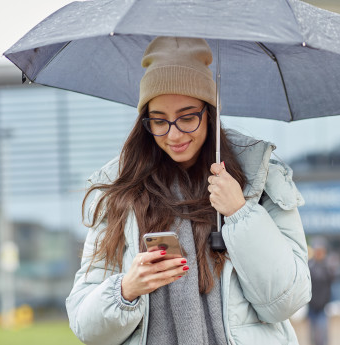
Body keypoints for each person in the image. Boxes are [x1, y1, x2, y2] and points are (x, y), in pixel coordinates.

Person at [65, 37, 311, 345]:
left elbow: (288, 299)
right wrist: (126, 290)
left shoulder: (260, 180)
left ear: (210, 113)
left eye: (187, 117)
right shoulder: (120, 193)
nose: (174, 134)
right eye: (159, 121)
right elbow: (86, 327)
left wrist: (241, 213)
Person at [307, 237, 334, 345]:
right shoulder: (309, 265)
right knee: (313, 332)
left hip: (323, 305)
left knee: (323, 331)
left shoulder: (327, 265)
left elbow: (331, 280)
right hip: (312, 304)